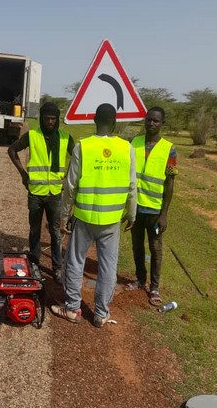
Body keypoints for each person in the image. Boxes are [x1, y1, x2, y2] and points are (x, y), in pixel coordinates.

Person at [51, 103, 137, 328]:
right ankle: (100, 314)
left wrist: (64, 215)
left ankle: (72, 309)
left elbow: (70, 186)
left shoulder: (83, 146)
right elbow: (132, 185)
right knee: (108, 267)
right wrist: (132, 214)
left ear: (94, 120)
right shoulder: (126, 148)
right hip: (112, 221)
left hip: (84, 217)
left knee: (75, 261)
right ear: (115, 123)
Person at [8, 102, 75, 282]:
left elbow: (78, 158)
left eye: (53, 119)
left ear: (58, 119)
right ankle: (35, 264)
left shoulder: (65, 138)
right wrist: (23, 174)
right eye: (47, 118)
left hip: (55, 193)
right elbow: (12, 150)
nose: (50, 122)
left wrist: (69, 177)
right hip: (36, 192)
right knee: (35, 230)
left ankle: (57, 268)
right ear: (41, 119)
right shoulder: (32, 136)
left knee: (55, 232)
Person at [124, 106, 178, 306]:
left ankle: (154, 287)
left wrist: (164, 214)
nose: (151, 123)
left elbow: (170, 183)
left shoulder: (169, 149)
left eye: (156, 121)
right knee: (137, 246)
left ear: (162, 123)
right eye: (149, 119)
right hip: (136, 208)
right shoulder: (134, 143)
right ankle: (140, 279)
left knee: (156, 249)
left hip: (155, 211)